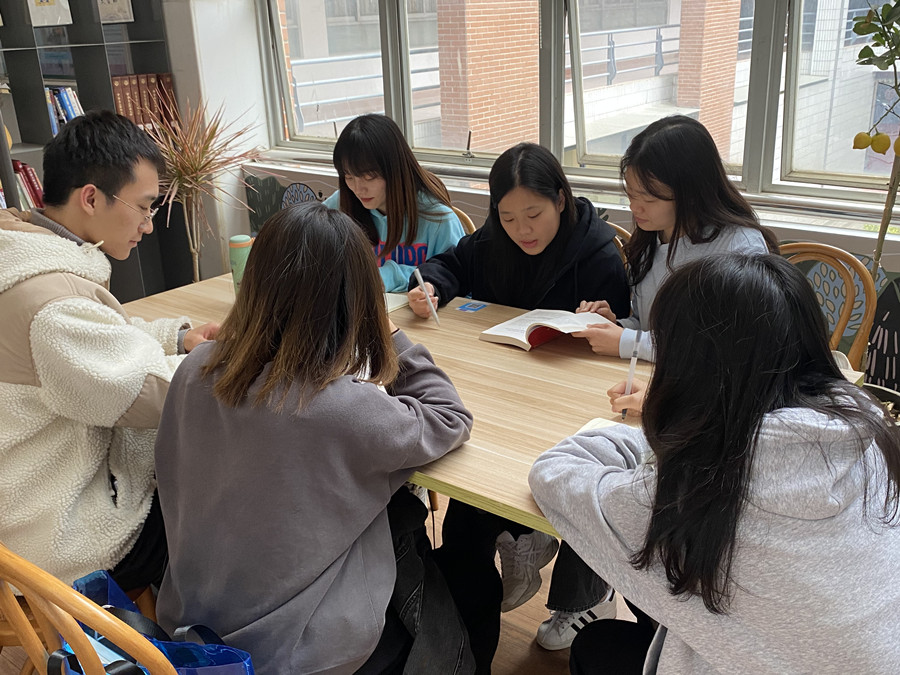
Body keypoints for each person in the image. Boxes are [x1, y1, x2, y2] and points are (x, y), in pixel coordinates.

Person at [530, 253, 900, 674]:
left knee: (598, 645)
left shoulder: (702, 486)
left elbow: (553, 473)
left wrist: (670, 422)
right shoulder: (865, 436)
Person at [154, 202, 475, 675]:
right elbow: (450, 417)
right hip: (297, 649)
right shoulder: (341, 407)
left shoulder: (195, 367)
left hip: (191, 620)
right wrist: (390, 335)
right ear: (358, 302)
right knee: (427, 551)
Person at [407, 142, 630, 664]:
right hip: (500, 386)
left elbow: (622, 337)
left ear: (561, 200)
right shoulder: (491, 241)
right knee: (469, 492)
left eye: (533, 214)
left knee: (523, 490)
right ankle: (511, 542)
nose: (521, 230)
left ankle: (531, 542)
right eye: (507, 218)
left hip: (568, 400)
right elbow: (449, 263)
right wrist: (431, 288)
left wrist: (608, 319)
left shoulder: (597, 252)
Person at [0, 110, 217, 590]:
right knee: (229, 501)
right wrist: (239, 359)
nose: (148, 225)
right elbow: (149, 393)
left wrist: (177, 339)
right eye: (143, 207)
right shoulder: (52, 306)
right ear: (91, 198)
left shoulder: (24, 252)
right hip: (62, 539)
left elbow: (102, 335)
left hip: (24, 511)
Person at [573, 115, 778, 362]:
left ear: (691, 194)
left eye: (649, 199)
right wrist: (613, 326)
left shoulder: (740, 247)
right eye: (631, 195)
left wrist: (628, 342)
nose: (634, 207)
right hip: (653, 375)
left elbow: (725, 350)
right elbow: (648, 328)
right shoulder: (651, 238)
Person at [322, 113, 465, 292]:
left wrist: (390, 276)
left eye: (369, 176)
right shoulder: (341, 203)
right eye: (349, 177)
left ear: (395, 170)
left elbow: (458, 280)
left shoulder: (438, 219)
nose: (358, 189)